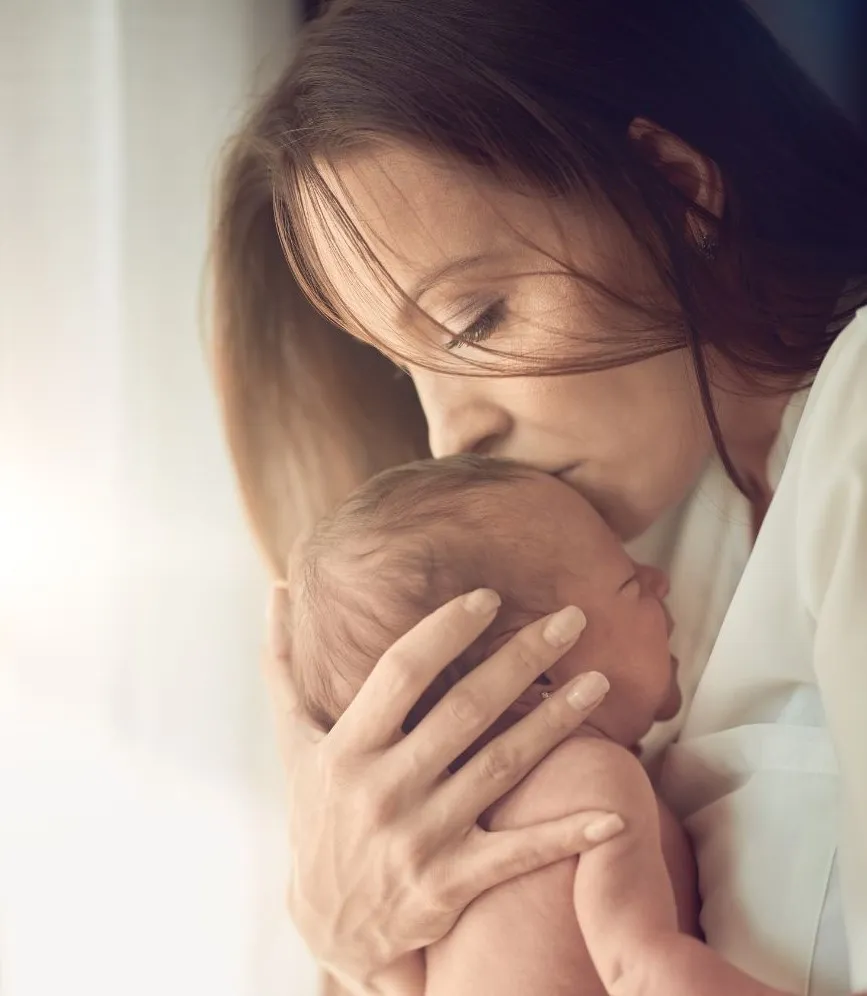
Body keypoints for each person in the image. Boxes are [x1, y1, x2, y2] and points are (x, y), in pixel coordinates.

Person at [208, 0, 867, 993]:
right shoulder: (615, 556)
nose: (449, 436)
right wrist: (367, 944)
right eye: (406, 368)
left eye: (475, 320)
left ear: (677, 192)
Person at [283, 453, 701, 996]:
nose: (660, 579)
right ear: (535, 668)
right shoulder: (591, 780)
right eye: (630, 584)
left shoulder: (418, 876)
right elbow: (646, 974)